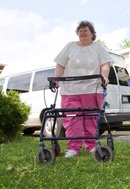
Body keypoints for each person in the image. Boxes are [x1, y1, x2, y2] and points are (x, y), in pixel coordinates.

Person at [53, 20, 113, 158]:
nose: (82, 32)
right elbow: (60, 65)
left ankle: (91, 145)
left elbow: (105, 64)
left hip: (92, 88)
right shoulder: (70, 46)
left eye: (85, 30)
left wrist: (104, 77)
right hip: (70, 90)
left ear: (92, 34)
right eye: (80, 30)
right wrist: (56, 79)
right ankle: (73, 148)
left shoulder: (98, 47)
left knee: (91, 118)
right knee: (72, 119)